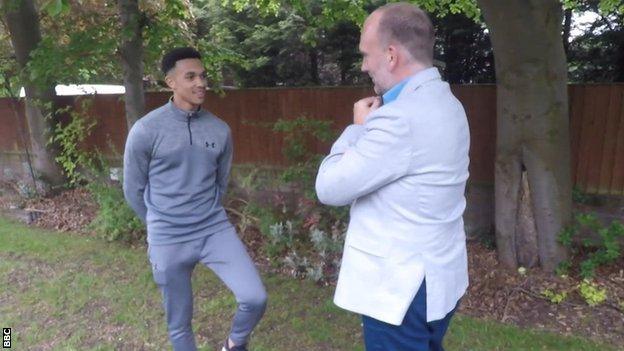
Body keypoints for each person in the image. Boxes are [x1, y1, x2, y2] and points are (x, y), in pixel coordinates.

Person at [315, 3, 470, 350]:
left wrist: (356, 130)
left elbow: (329, 187)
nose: (363, 65)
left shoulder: (400, 118)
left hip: (400, 290)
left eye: (366, 54)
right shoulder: (448, 103)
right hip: (438, 279)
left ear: (390, 55)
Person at [123, 47, 267, 351]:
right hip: (168, 237)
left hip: (213, 229)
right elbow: (133, 189)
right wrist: (158, 223)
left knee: (255, 297)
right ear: (170, 82)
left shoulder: (219, 129)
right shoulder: (146, 130)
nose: (201, 83)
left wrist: (205, 214)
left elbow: (220, 182)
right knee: (179, 325)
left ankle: (233, 344)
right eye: (191, 76)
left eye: (203, 76)